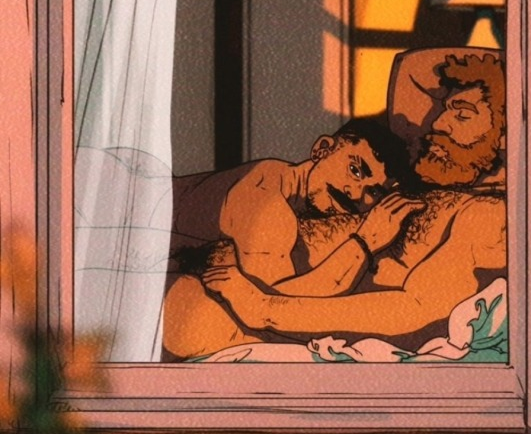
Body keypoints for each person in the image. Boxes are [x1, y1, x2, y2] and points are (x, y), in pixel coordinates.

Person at [167, 53, 507, 358]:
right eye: (441, 110)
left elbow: (415, 305)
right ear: (322, 148)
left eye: (462, 115)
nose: (437, 124)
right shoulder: (269, 191)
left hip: (228, 313)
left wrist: (264, 307)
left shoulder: (487, 215)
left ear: (507, 137)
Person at [163, 118, 419, 358]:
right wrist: (365, 242)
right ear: (322, 149)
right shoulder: (267, 201)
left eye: (373, 192)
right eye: (355, 170)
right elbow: (273, 303)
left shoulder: (289, 195)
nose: (354, 193)